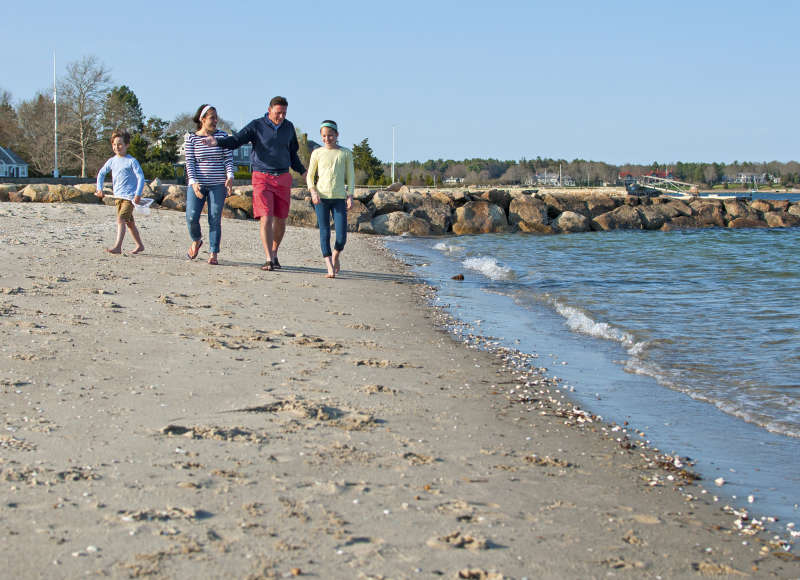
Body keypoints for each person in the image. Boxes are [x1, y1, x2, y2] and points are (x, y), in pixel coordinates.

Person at [204, 96, 306, 271]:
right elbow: (236, 140)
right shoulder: (256, 125)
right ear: (269, 110)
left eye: (284, 113)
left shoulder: (288, 127)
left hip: (282, 177)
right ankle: (268, 258)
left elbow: (293, 154)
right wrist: (217, 142)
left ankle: (274, 252)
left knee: (281, 219)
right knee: (266, 216)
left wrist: (303, 172)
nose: (281, 116)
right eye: (278, 113)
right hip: (262, 176)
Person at [184, 104, 235, 265]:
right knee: (191, 217)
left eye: (216, 117)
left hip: (218, 184)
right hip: (198, 184)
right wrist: (193, 182)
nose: (215, 120)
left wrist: (230, 176)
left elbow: (228, 158)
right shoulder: (191, 138)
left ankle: (213, 253)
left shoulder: (222, 136)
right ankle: (197, 240)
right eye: (212, 117)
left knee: (214, 218)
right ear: (202, 119)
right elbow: (189, 162)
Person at [306, 120, 355, 278]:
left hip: (339, 198)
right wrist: (313, 191)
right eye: (324, 136)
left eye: (331, 135)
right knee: (324, 232)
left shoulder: (345, 153)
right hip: (321, 198)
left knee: (341, 236)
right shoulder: (317, 153)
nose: (327, 139)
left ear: (337, 135)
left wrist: (350, 195)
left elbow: (351, 177)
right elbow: (310, 176)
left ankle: (335, 256)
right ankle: (329, 266)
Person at [95, 129, 145, 254]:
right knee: (129, 223)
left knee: (120, 219)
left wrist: (138, 194)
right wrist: (99, 189)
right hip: (118, 197)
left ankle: (118, 247)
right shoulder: (112, 161)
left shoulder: (131, 161)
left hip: (129, 198)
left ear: (127, 145)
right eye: (114, 144)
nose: (117, 147)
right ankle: (140, 245)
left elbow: (141, 177)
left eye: (120, 144)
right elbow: (101, 174)